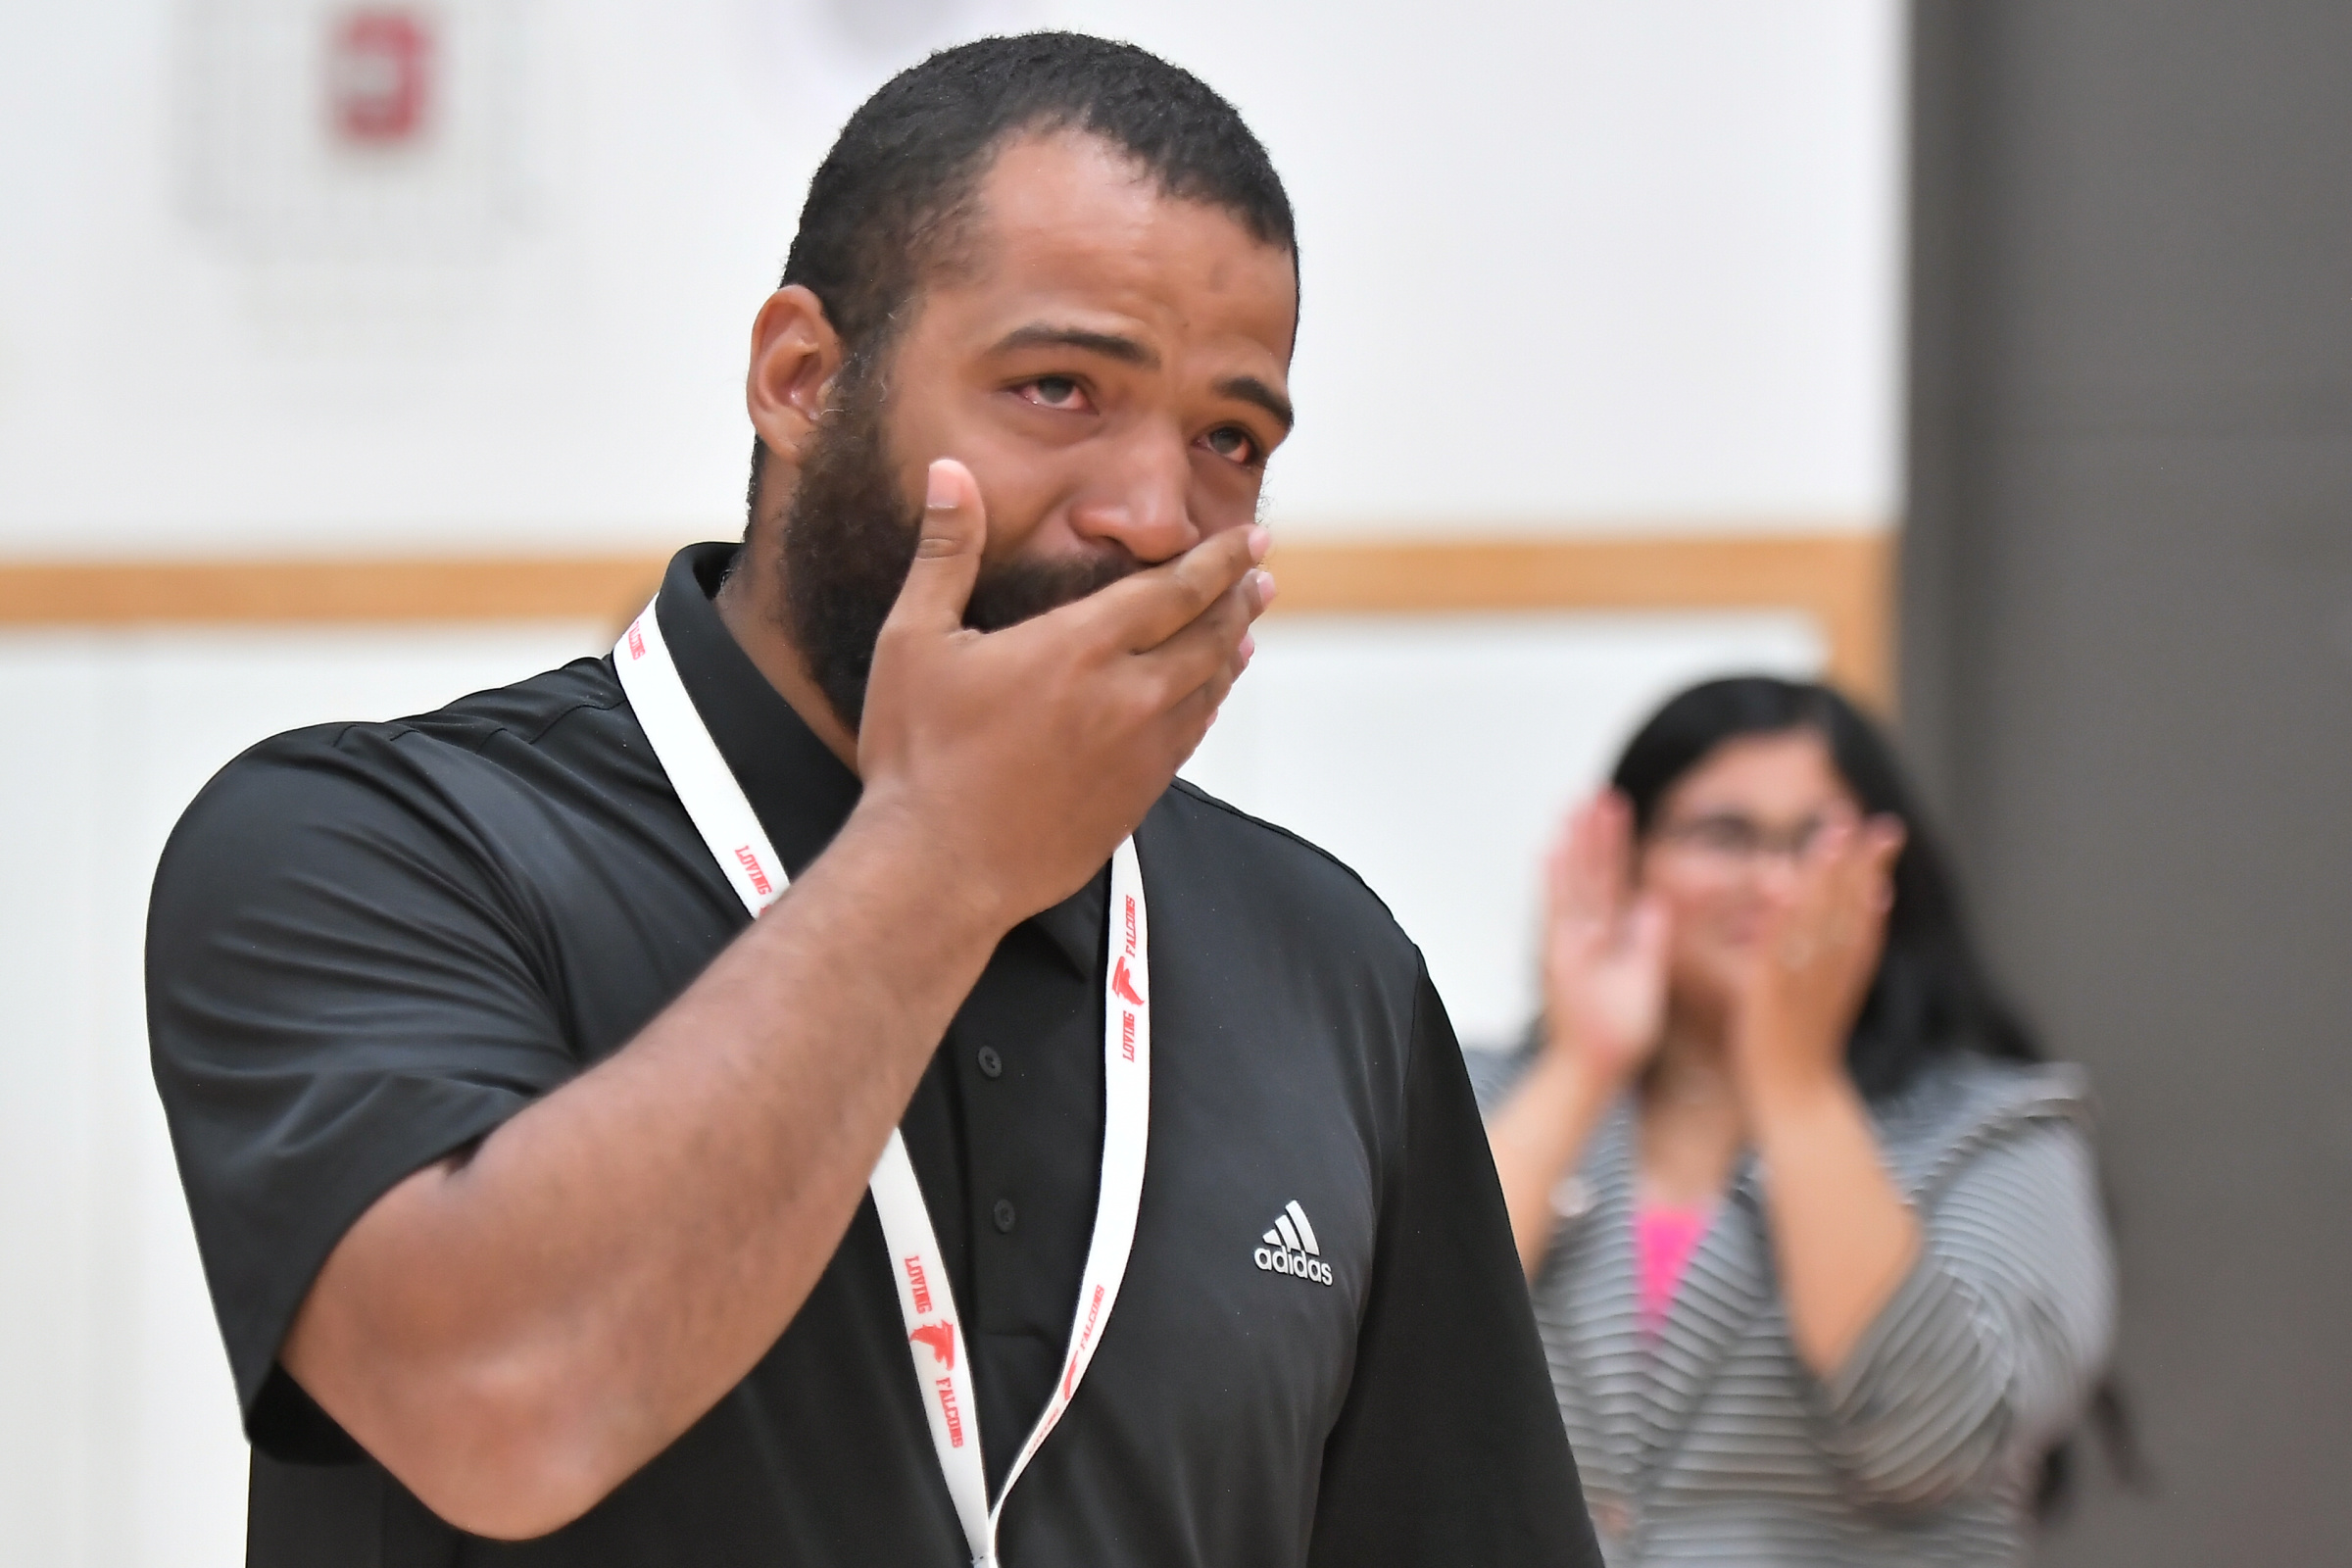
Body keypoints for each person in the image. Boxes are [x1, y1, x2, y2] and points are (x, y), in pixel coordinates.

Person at [145, 33, 1601, 1568]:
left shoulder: (1327, 964)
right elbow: (502, 1407)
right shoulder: (374, 847)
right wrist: (944, 851)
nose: (1155, 515)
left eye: (1228, 439)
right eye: (1060, 387)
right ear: (803, 378)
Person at [1478, 675, 2117, 1566]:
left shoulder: (1999, 1133)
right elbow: (1381, 1372)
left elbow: (1930, 1444)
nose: (1772, 883)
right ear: (1629, 856)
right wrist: (1582, 1064)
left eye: (1815, 840)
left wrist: (1794, 1083)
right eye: (1723, 835)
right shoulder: (1475, 1096)